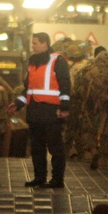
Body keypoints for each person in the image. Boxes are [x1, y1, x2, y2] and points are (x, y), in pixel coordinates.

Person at [7, 32, 72, 188]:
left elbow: (65, 85)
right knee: (37, 148)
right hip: (35, 112)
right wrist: (18, 103)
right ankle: (39, 178)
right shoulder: (33, 63)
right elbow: (29, 90)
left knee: (55, 148)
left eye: (35, 43)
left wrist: (64, 107)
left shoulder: (57, 61)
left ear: (45, 44)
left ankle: (57, 179)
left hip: (52, 112)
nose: (33, 46)